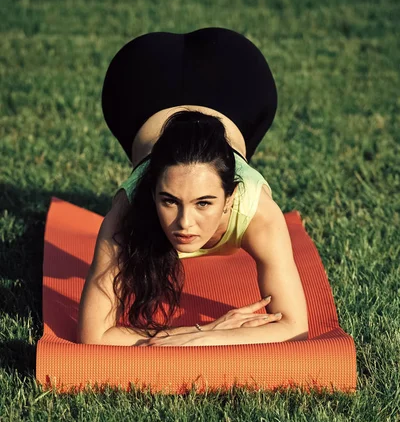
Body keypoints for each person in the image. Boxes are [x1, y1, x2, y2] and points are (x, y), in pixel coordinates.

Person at [77, 28, 308, 347]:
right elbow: (93, 337)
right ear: (152, 191)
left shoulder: (258, 213)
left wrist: (191, 340)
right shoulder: (129, 211)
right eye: (169, 201)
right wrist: (207, 330)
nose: (184, 223)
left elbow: (294, 328)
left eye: (203, 203)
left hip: (236, 74)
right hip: (141, 75)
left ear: (230, 198)